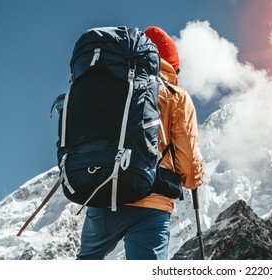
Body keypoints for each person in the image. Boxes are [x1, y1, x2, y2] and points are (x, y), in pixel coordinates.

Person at [76, 26, 204, 260]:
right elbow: (188, 166)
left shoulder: (113, 82)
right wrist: (194, 178)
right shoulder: (176, 95)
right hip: (151, 201)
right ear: (173, 66)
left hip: (102, 193)